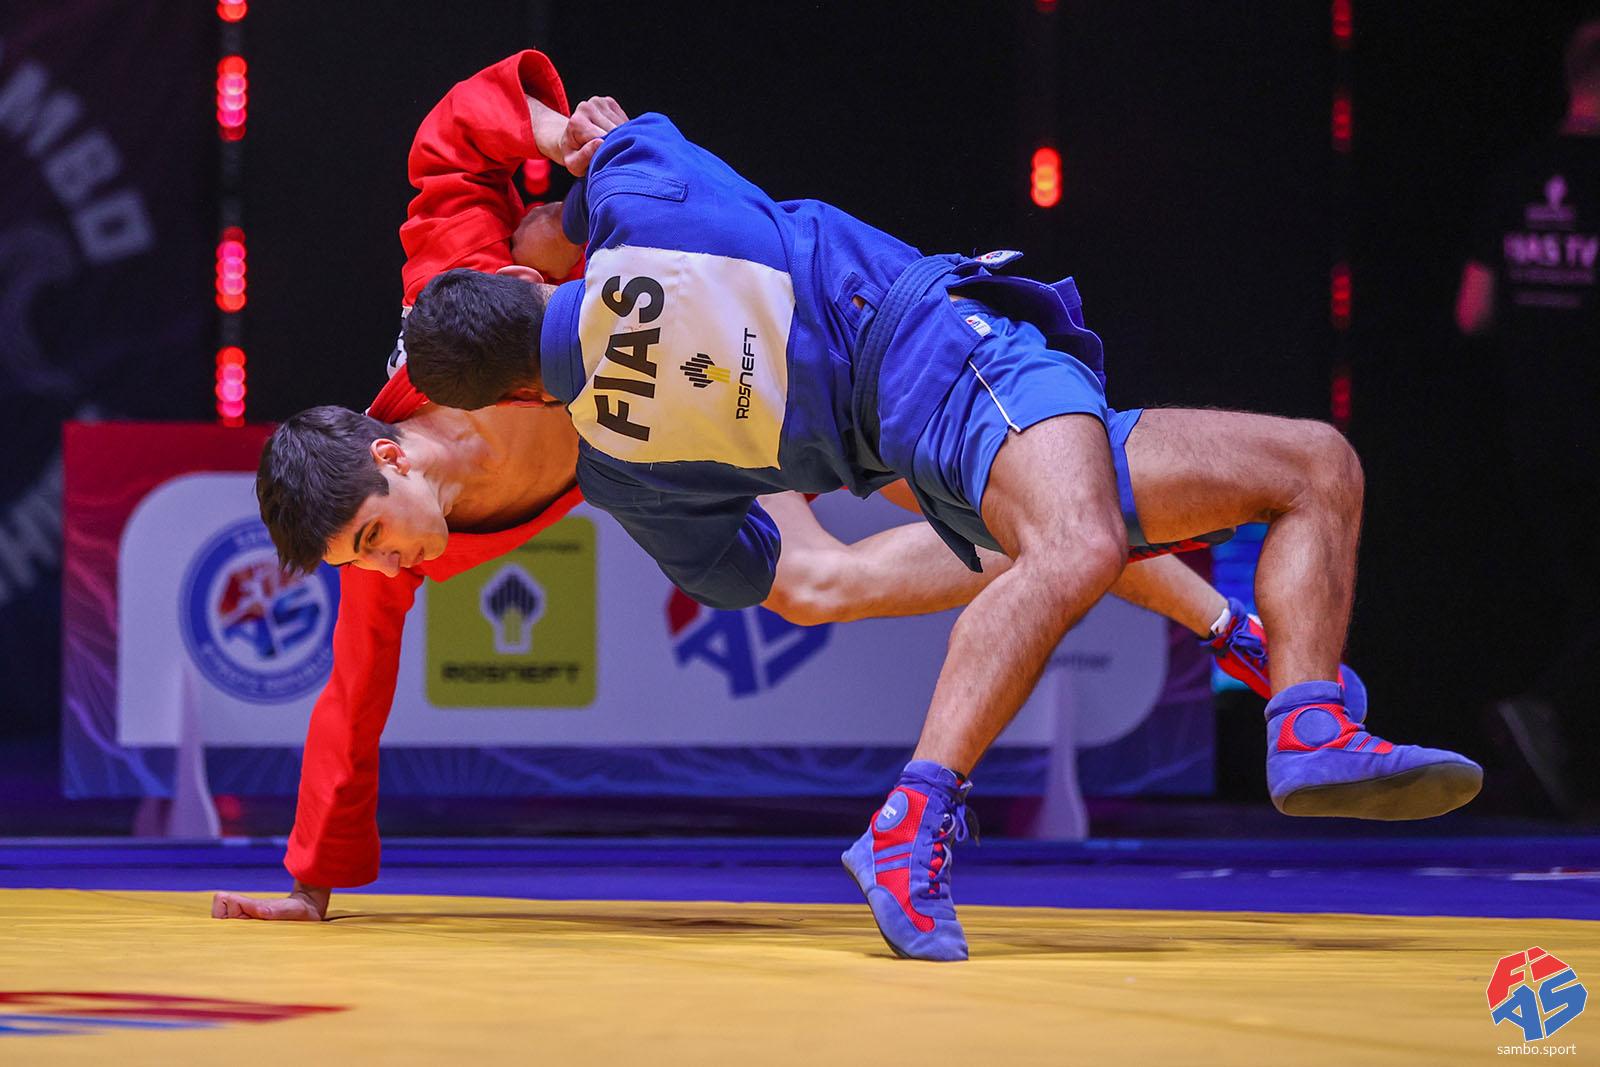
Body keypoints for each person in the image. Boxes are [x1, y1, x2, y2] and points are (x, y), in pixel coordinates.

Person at [216, 52, 1363, 926]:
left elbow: (446, 143)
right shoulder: (398, 549)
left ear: (393, 453)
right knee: (821, 583)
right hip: (681, 452)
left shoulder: (452, 304)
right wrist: (312, 878)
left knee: (997, 491)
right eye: (368, 557)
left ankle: (1226, 627)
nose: (387, 564)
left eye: (375, 537)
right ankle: (1222, 627)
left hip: (739, 353)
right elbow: (350, 704)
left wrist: (563, 138)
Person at [1455, 19, 1600, 816]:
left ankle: (1559, 754)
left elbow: (1472, 311)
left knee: (1580, 598)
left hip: (1533, 430)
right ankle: (1544, 709)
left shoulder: (1517, 177)